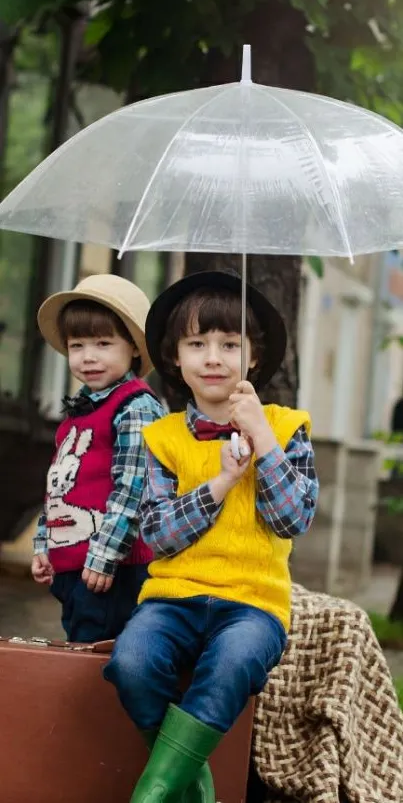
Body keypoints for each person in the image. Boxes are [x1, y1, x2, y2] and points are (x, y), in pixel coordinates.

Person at [104, 270, 319, 803]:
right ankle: (190, 783)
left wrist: (264, 442)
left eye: (229, 344)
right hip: (172, 597)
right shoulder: (163, 437)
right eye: (197, 343)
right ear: (176, 357)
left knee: (233, 662)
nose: (214, 357)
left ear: (253, 356)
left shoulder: (286, 427)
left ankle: (150, 795)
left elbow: (293, 520)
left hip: (252, 603)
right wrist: (221, 482)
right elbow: (157, 534)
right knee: (130, 662)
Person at [31, 274, 165, 643]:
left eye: (104, 343)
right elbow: (60, 486)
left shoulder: (135, 407)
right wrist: (44, 545)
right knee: (78, 646)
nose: (88, 356)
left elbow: (133, 490)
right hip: (73, 567)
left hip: (113, 569)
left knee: (94, 658)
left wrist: (105, 557)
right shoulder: (81, 409)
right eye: (77, 345)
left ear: (134, 348)